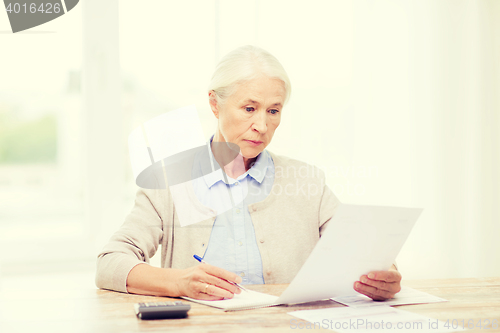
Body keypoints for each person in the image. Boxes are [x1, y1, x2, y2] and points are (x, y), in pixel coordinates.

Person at [95, 45, 402, 302]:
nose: (262, 125)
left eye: (273, 110)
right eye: (249, 108)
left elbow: (364, 251)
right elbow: (110, 263)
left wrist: (383, 274)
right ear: (215, 104)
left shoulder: (307, 181)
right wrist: (177, 282)